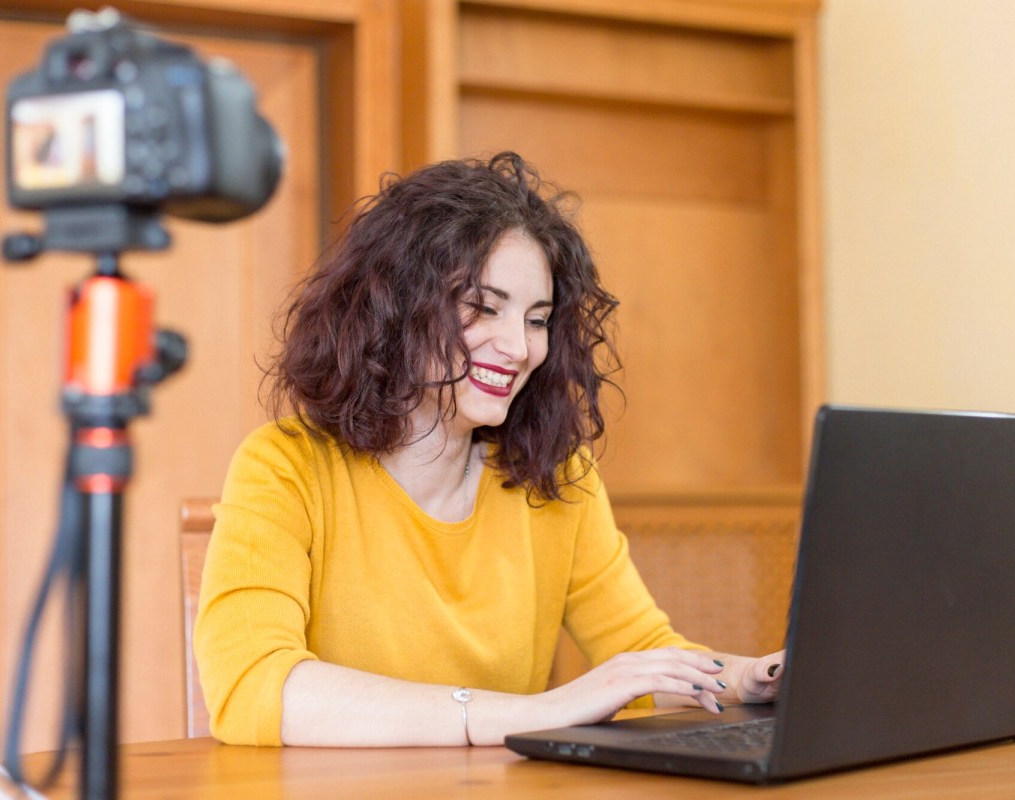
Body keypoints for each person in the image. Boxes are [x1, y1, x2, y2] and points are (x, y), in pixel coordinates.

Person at [194, 152, 784, 748]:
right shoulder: (284, 467)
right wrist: (524, 714)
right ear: (395, 307)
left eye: (537, 319)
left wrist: (743, 678)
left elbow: (639, 649)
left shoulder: (556, 478)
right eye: (483, 308)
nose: (519, 347)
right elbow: (251, 688)